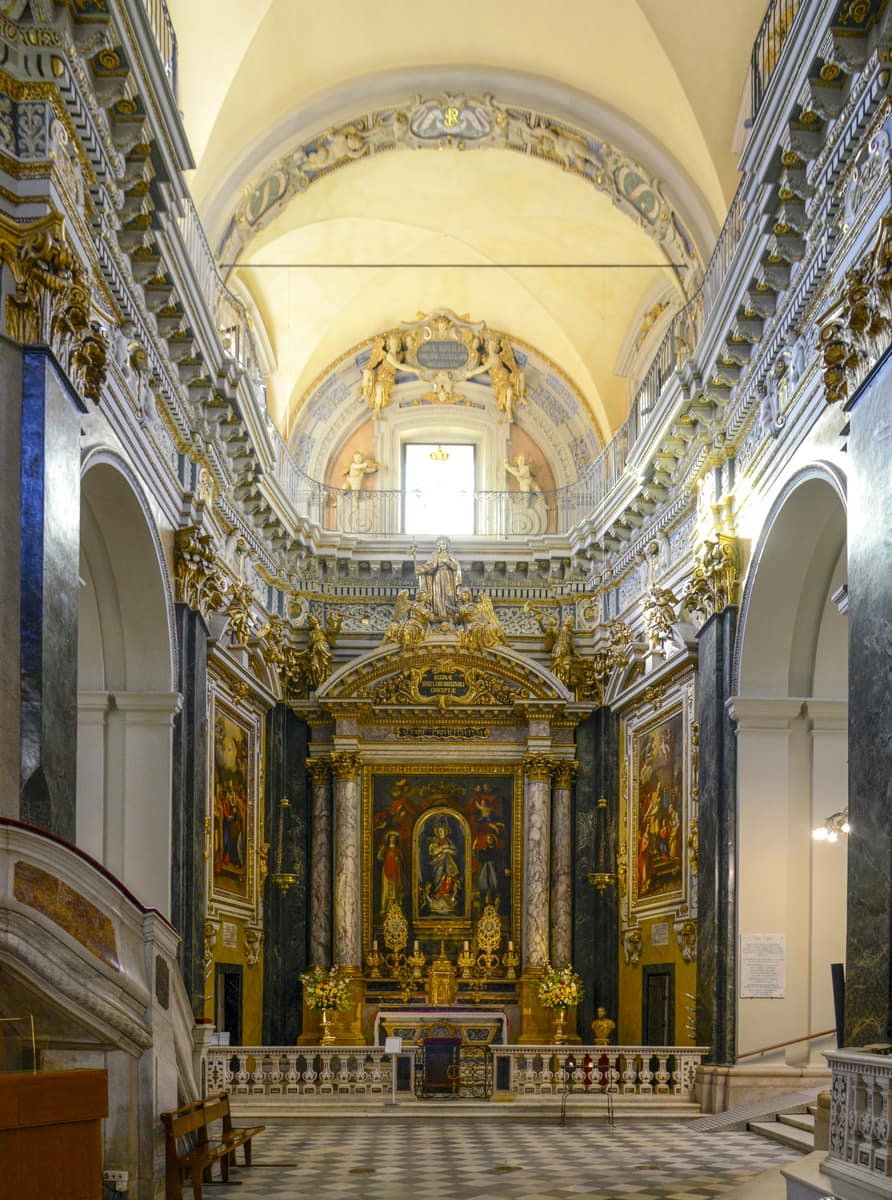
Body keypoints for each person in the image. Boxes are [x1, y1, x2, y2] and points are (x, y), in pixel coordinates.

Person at [417, 538, 462, 621]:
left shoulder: (450, 556)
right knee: (438, 594)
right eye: (441, 544)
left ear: (447, 546)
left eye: (444, 544)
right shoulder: (435, 555)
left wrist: (447, 562)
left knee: (449, 594)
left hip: (448, 577)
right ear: (439, 546)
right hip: (437, 576)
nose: (443, 546)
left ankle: (449, 613)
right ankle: (440, 613)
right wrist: (420, 570)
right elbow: (430, 567)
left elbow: (456, 567)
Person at [425, 819, 461, 914]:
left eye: (444, 831)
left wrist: (447, 850)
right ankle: (437, 896)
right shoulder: (434, 841)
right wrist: (443, 848)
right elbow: (432, 851)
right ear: (437, 832)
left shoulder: (449, 841)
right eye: (441, 831)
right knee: (438, 880)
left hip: (449, 865)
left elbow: (455, 852)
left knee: (448, 879)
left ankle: (446, 896)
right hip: (437, 864)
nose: (443, 833)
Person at [377, 831, 404, 914]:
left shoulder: (397, 849)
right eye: (391, 838)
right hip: (386, 870)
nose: (392, 840)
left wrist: (398, 860)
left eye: (394, 838)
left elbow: (401, 859)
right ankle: (384, 908)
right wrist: (381, 851)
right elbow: (379, 858)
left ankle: (393, 908)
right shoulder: (385, 848)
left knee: (394, 890)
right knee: (386, 889)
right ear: (389, 839)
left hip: (395, 871)